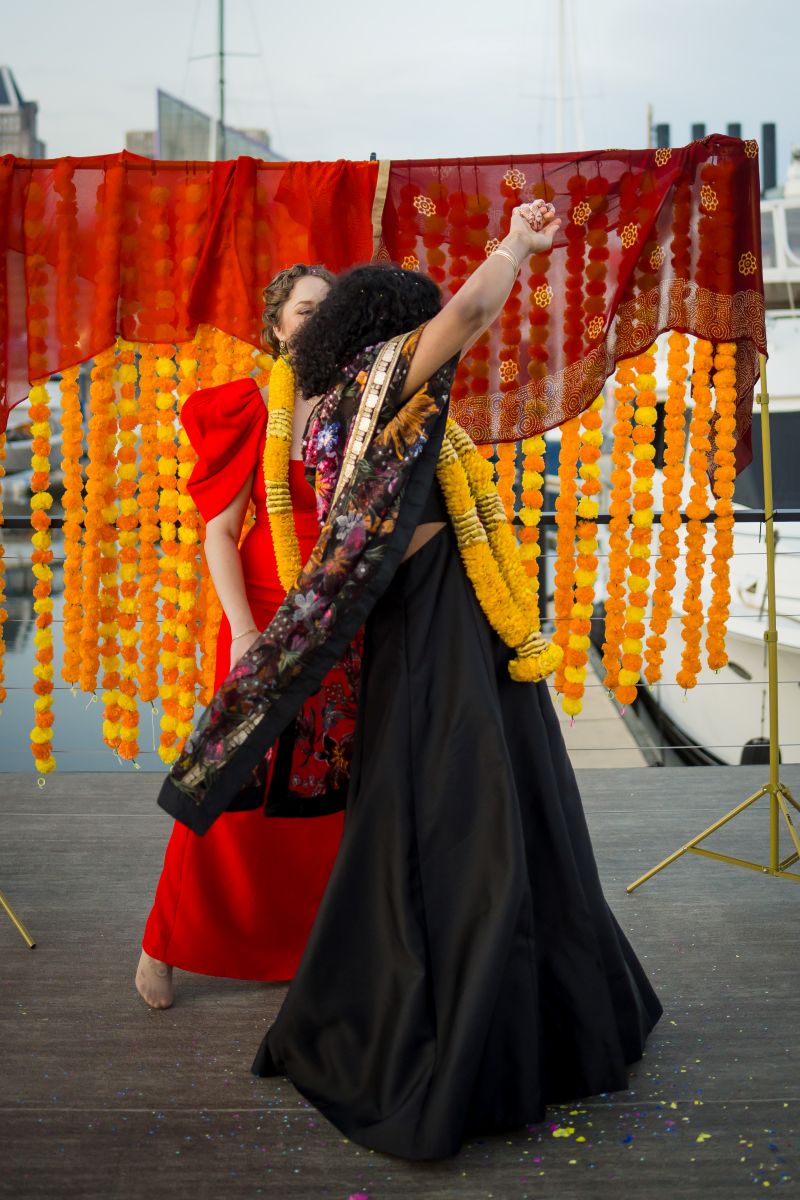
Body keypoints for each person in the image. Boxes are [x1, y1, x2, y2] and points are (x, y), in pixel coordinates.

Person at [157, 200, 662, 1159]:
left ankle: (479, 998)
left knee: (467, 808)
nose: (425, 340)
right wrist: (516, 243)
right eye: (409, 326)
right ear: (386, 334)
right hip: (438, 619)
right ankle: (474, 1021)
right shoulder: (372, 389)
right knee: (474, 814)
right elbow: (469, 316)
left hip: (423, 616)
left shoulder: (320, 406)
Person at [136, 264, 359, 1009]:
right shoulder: (250, 407)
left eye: (330, 310)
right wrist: (242, 629)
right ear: (275, 327)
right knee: (228, 780)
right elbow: (221, 533)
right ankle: (163, 946)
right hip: (262, 608)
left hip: (340, 611)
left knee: (323, 782)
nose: (317, 320)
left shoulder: (362, 407)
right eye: (304, 310)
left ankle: (304, 943)